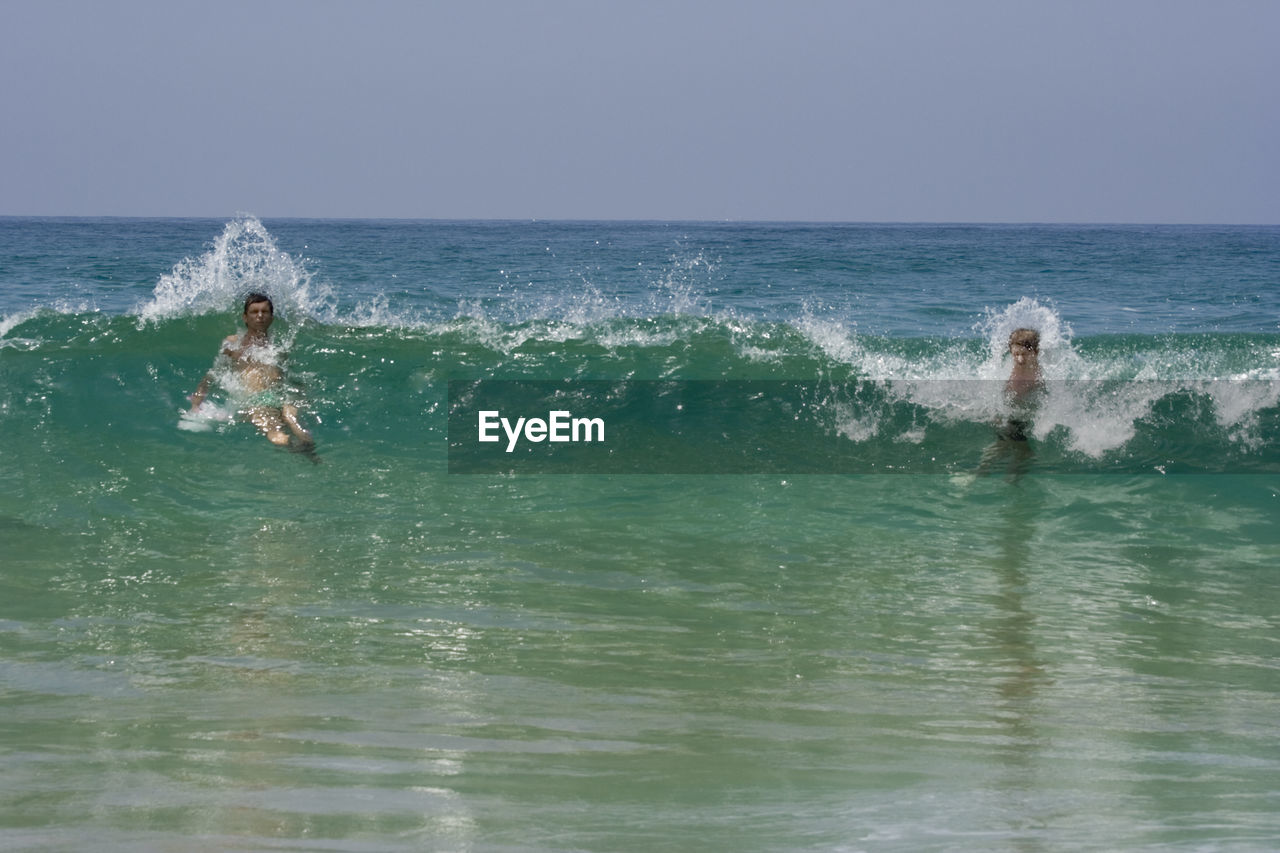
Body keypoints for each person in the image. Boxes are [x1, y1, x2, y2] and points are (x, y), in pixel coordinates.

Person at [189, 293, 314, 450]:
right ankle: (303, 455)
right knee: (277, 433)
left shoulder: (279, 345)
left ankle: (310, 454)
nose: (260, 316)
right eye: (254, 312)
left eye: (264, 312)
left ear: (272, 317)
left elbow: (289, 374)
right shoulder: (233, 344)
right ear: (245, 317)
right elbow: (214, 373)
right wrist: (196, 404)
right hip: (257, 401)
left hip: (281, 396)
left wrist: (302, 394)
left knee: (292, 421)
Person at [976, 328, 1043, 477]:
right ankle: (1008, 479)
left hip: (1019, 416)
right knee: (1022, 452)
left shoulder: (1035, 365)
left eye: (1024, 354)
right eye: (1016, 355)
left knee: (1004, 448)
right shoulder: (1018, 377)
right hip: (1012, 418)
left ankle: (981, 472)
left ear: (1036, 352)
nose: (1020, 359)